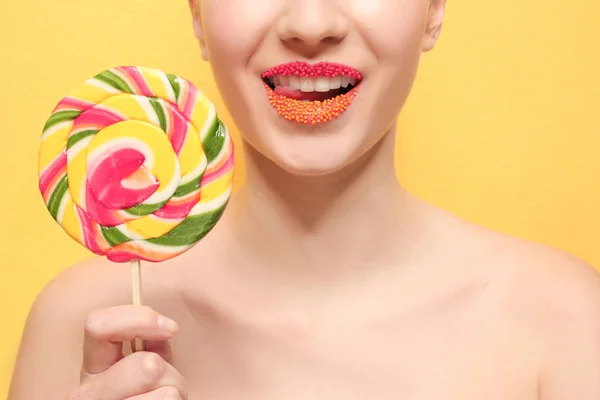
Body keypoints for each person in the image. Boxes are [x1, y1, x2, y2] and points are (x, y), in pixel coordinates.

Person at [8, 0, 600, 398]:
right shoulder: (89, 323)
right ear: (196, 14)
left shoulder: (566, 320)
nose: (311, 22)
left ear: (434, 11)